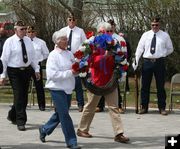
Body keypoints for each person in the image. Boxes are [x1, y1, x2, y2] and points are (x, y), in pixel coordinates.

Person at [77, 22, 129, 144]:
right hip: (96, 81)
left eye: (108, 31)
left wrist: (119, 67)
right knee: (90, 106)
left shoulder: (114, 45)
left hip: (110, 81)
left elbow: (121, 59)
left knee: (114, 107)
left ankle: (119, 133)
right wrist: (104, 57)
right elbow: (89, 62)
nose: (106, 34)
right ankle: (82, 129)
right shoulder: (91, 44)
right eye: (102, 32)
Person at [38, 29, 81, 149]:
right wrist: (70, 72)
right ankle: (72, 141)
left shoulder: (69, 54)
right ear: (57, 41)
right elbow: (53, 75)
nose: (66, 41)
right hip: (57, 89)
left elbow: (75, 70)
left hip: (68, 89)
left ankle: (44, 129)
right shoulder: (53, 55)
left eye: (66, 39)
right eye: (63, 39)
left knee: (60, 114)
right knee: (65, 116)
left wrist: (79, 70)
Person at [0, 20, 40, 131]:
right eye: (21, 29)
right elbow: (4, 59)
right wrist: (3, 75)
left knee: (23, 96)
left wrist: (36, 69)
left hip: (26, 70)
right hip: (14, 71)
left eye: (25, 29)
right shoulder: (9, 41)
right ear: (15, 30)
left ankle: (12, 115)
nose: (24, 31)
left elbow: (33, 57)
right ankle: (21, 121)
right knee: (19, 95)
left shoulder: (28, 41)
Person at [132, 16, 174, 115]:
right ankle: (144, 107)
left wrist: (163, 54)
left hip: (159, 62)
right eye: (153, 25)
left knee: (160, 86)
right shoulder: (145, 35)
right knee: (145, 86)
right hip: (147, 62)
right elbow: (139, 49)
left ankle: (162, 108)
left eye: (156, 25)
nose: (154, 26)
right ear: (150, 25)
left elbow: (170, 49)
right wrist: (136, 60)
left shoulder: (165, 35)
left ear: (160, 25)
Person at [95, 19, 128, 114]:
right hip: (101, 66)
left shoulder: (119, 39)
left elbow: (124, 53)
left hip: (114, 65)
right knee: (100, 85)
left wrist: (122, 65)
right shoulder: (98, 39)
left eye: (111, 28)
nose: (109, 31)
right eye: (107, 29)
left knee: (114, 85)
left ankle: (118, 105)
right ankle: (99, 105)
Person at [61, 15, 87, 112]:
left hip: (76, 59)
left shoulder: (80, 31)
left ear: (76, 21)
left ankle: (80, 104)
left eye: (73, 20)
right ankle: (64, 104)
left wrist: (81, 56)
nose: (72, 21)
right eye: (70, 19)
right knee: (65, 81)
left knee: (77, 83)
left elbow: (85, 44)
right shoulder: (63, 30)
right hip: (65, 58)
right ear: (67, 20)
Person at [26, 25, 49, 111]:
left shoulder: (41, 42)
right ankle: (23, 104)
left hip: (37, 65)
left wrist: (40, 59)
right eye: (29, 32)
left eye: (32, 32)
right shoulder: (24, 41)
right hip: (26, 65)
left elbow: (46, 53)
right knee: (24, 85)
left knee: (39, 85)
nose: (31, 34)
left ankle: (42, 105)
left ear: (35, 32)